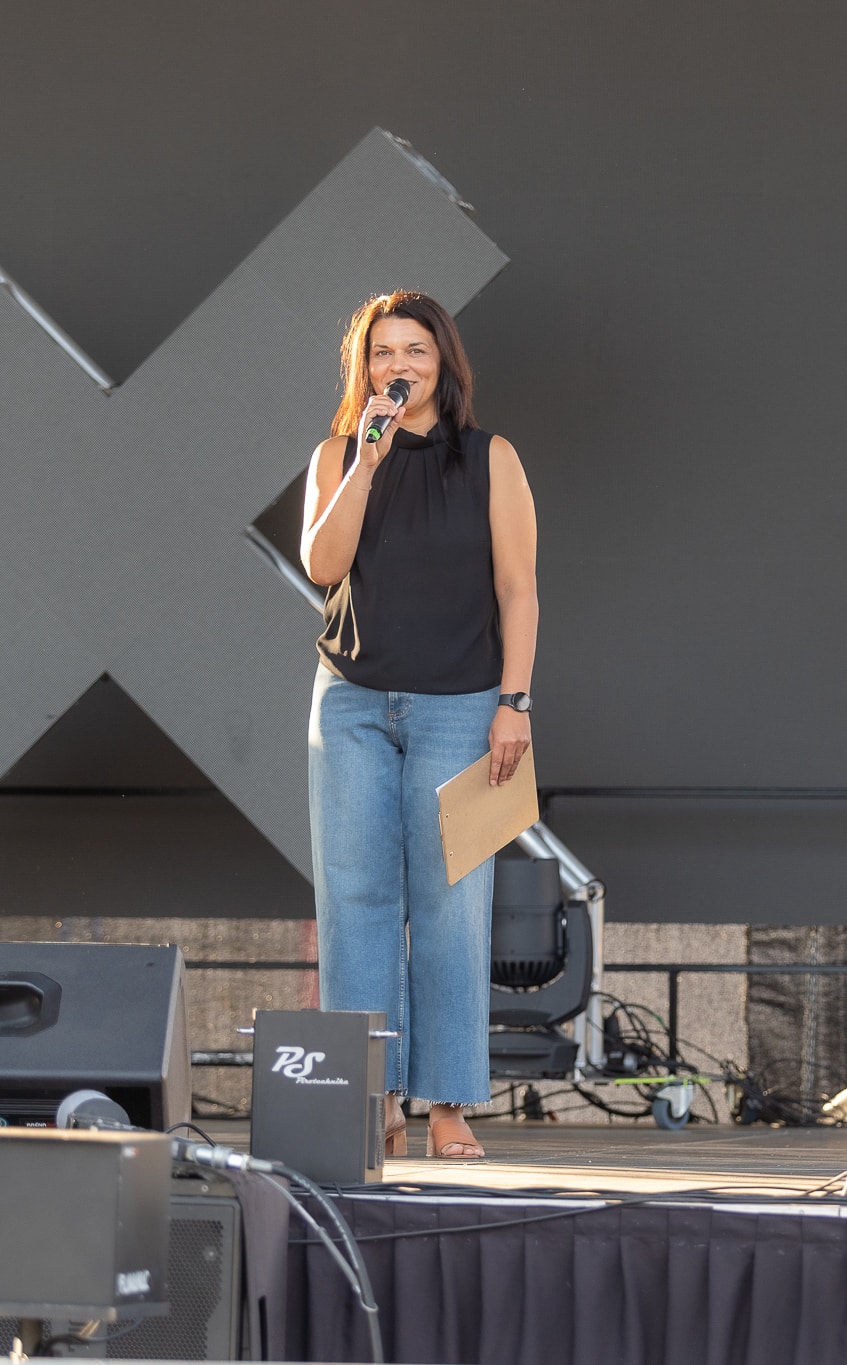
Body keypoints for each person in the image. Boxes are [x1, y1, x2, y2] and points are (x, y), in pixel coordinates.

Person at [300, 291, 538, 1161]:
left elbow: (519, 588)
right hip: (352, 700)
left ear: (443, 362)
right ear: (363, 368)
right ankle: (371, 1098)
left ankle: (447, 1102)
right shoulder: (338, 453)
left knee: (452, 905)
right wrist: (366, 460)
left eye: (415, 350)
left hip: (464, 704)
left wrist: (514, 702)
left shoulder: (491, 458)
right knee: (356, 900)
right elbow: (322, 563)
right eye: (382, 352)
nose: (398, 365)